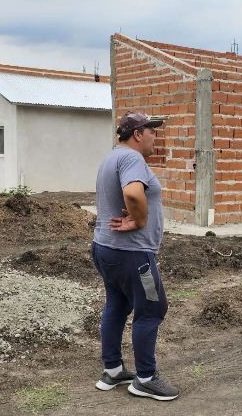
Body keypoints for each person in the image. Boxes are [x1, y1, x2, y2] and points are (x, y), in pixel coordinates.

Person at [91, 111, 179, 401]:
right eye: (152, 131)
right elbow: (132, 194)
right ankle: (145, 378)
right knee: (153, 308)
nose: (156, 136)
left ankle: (113, 369)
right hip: (132, 254)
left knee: (117, 304)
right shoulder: (131, 158)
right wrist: (139, 221)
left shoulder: (111, 157)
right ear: (138, 134)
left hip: (107, 249)